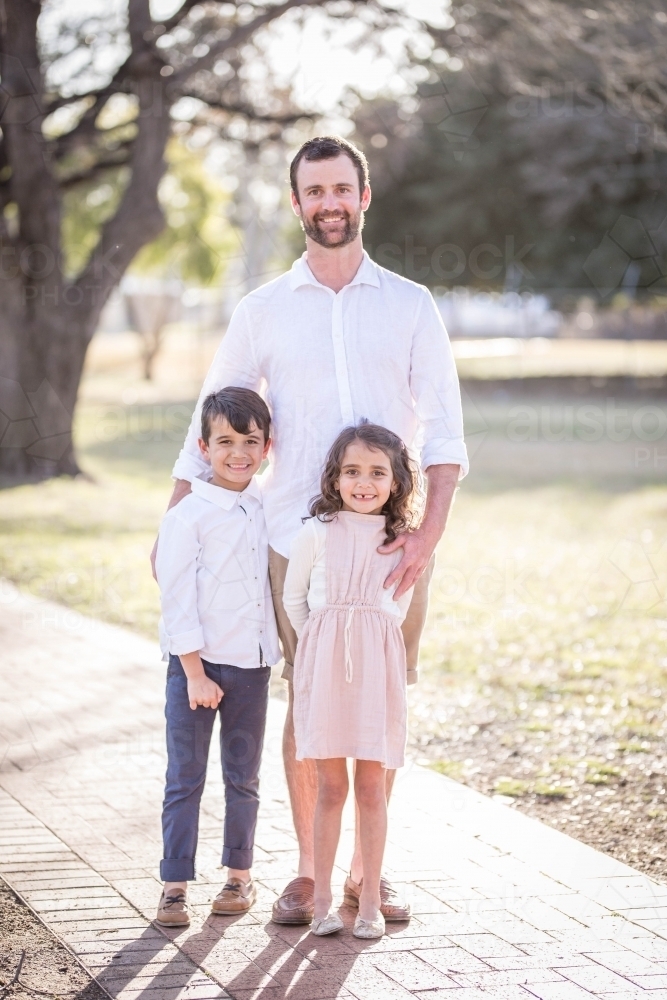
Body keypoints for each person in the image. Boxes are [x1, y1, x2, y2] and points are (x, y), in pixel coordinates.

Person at [153, 134, 468, 924]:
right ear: (296, 204)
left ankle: (369, 872)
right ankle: (308, 874)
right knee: (309, 705)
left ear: (363, 198)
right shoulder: (261, 310)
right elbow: (213, 415)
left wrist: (425, 540)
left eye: (340, 189)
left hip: (393, 553)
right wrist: (173, 525)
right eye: (313, 192)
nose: (328, 203)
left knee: (382, 706)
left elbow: (446, 438)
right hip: (293, 545)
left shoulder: (410, 304)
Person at [283, 423, 420, 938]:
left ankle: (367, 904)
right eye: (352, 471)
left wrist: (365, 641)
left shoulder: (401, 543)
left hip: (376, 677)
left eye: (377, 472)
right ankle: (320, 903)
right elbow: (295, 600)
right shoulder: (315, 532)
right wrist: (319, 644)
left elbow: (396, 611)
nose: (364, 482)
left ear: (396, 481)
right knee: (330, 788)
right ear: (335, 479)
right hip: (324, 670)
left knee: (371, 788)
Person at [154, 387, 280, 928]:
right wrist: (194, 674)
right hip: (195, 670)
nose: (239, 452)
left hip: (251, 668)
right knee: (185, 777)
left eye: (250, 441)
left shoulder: (265, 506)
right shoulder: (189, 515)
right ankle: (175, 885)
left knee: (243, 778)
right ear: (204, 448)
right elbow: (176, 597)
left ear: (267, 447)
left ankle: (239, 877)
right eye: (225, 440)